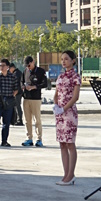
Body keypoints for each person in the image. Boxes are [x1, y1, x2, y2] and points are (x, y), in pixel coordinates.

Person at [53, 50, 80, 186]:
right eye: (62, 59)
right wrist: (56, 105)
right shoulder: (60, 76)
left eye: (66, 59)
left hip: (69, 113)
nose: (63, 61)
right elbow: (56, 94)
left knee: (70, 143)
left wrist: (64, 108)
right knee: (62, 143)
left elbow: (75, 97)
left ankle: (71, 174)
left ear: (73, 60)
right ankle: (65, 174)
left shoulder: (75, 76)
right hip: (60, 114)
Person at [21, 56, 48, 147]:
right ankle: (29, 138)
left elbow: (45, 84)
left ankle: (39, 139)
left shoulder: (40, 71)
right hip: (26, 98)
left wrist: (34, 87)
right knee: (27, 120)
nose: (28, 67)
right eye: (26, 66)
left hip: (36, 98)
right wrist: (23, 86)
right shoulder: (25, 71)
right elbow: (21, 81)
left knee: (37, 119)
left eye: (29, 65)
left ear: (33, 62)